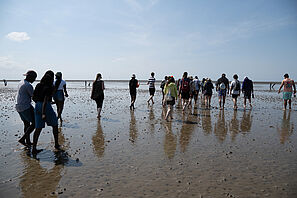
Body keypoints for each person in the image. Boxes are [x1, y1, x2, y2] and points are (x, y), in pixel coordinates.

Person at [31, 71, 60, 154]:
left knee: (38, 128)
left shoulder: (38, 85)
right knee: (55, 125)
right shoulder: (49, 87)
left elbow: (33, 97)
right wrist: (44, 113)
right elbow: (45, 100)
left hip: (37, 106)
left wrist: (38, 103)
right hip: (45, 106)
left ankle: (34, 148)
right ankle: (56, 144)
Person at [16, 70, 37, 147]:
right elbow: (34, 97)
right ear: (30, 77)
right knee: (35, 123)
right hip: (25, 106)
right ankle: (23, 139)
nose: (34, 80)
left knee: (26, 124)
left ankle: (27, 141)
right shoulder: (28, 85)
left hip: (18, 106)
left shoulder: (21, 82)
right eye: (34, 78)